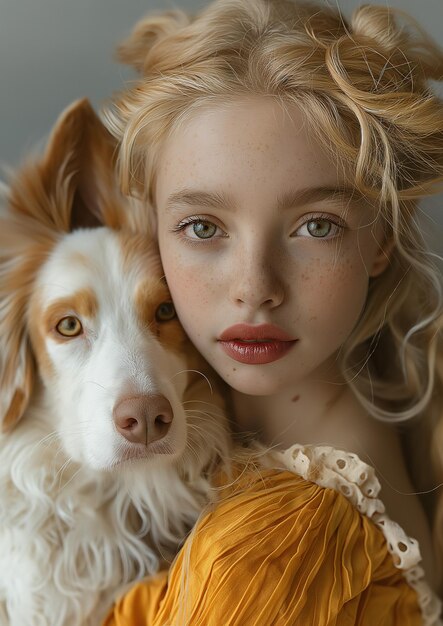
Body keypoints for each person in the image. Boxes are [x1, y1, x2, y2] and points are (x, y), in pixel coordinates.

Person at [101, 0, 443, 623]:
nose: (254, 288)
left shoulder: (278, 548)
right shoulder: (347, 433)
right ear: (153, 228)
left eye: (316, 225)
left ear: (382, 238)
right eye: (202, 226)